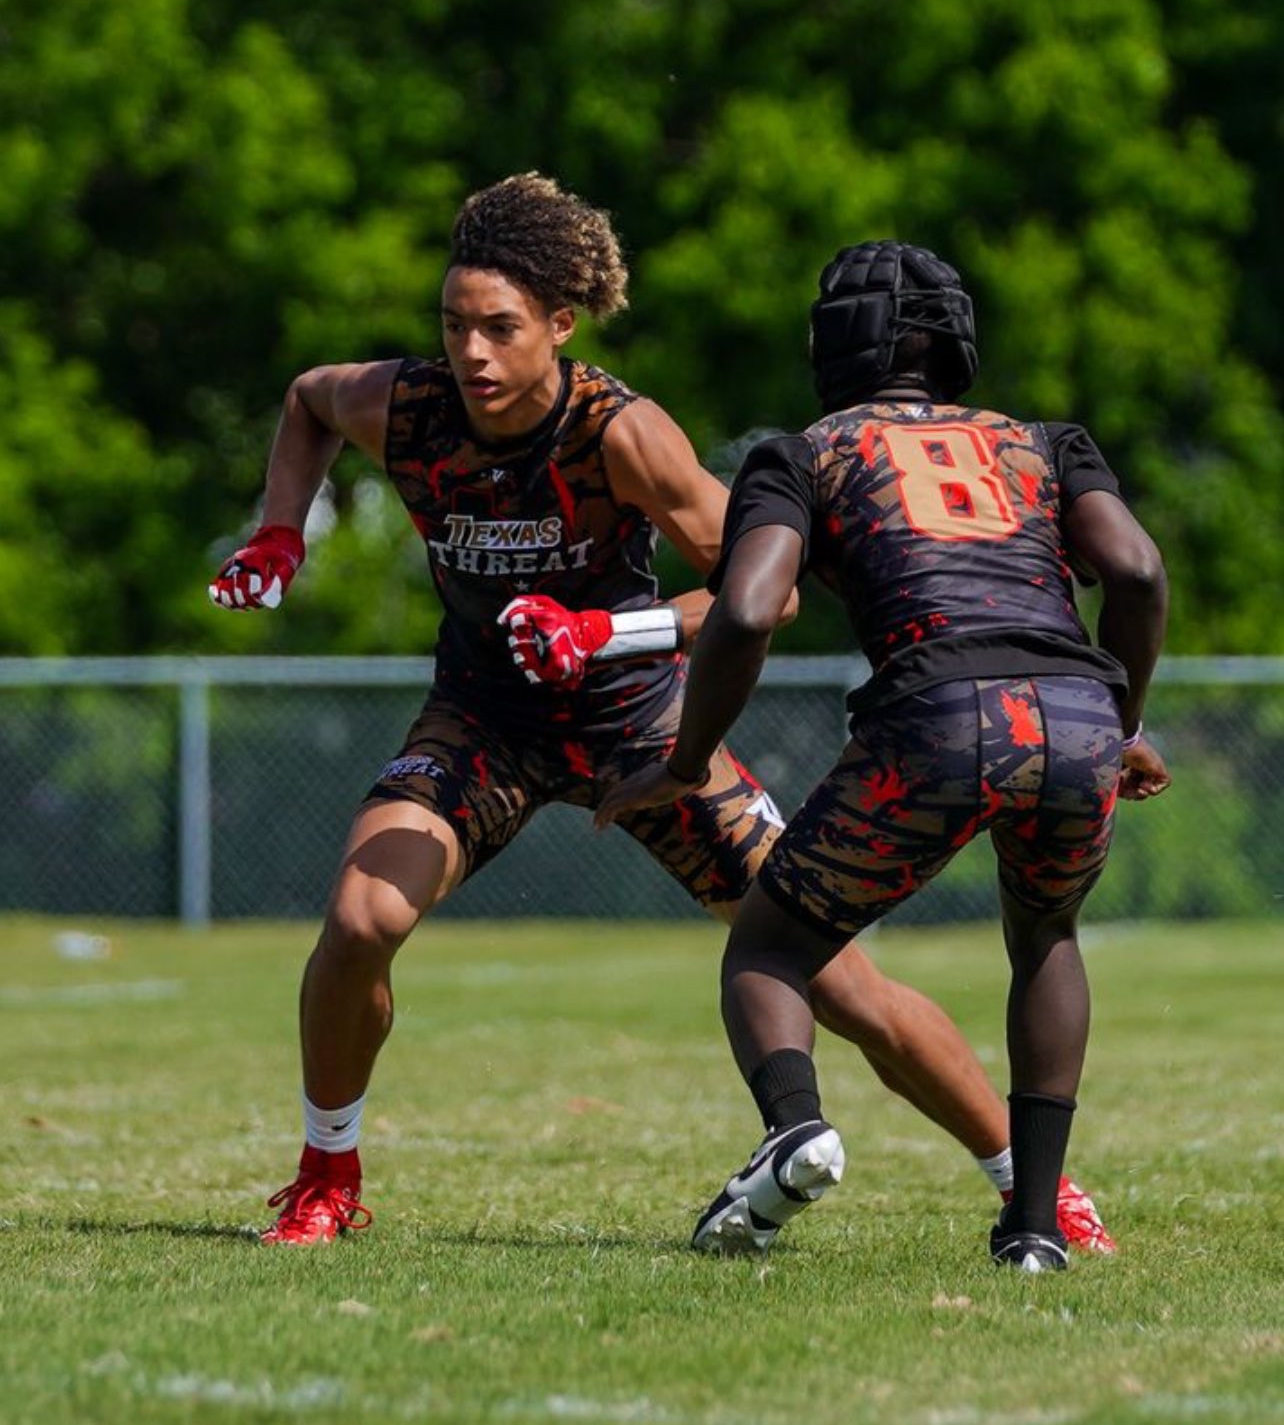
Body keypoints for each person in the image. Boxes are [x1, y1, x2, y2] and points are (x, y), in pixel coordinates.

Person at [209, 182, 1117, 1249]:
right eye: (453, 325)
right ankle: (326, 1175)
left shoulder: (619, 432)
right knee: (362, 919)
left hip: (641, 727)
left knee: (838, 980)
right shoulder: (406, 408)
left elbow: (766, 593)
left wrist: (603, 632)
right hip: (483, 723)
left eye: (499, 327)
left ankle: (1032, 1184)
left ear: (561, 323)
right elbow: (308, 399)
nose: (472, 353)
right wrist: (281, 531)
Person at [596, 239, 1170, 1270]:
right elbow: (1135, 571)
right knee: (1047, 937)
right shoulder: (1046, 442)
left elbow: (748, 609)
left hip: (937, 716)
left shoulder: (806, 452)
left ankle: (794, 1130)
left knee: (771, 947)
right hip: (1078, 714)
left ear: (836, 340)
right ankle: (1035, 1227)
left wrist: (687, 760)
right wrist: (1121, 724)